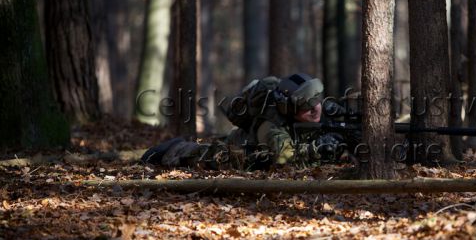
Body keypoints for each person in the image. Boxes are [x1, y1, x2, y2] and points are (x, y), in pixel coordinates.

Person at [141, 73, 346, 170]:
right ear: (290, 108)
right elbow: (286, 159)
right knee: (203, 154)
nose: (315, 108)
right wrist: (317, 149)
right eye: (306, 105)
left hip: (247, 144)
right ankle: (171, 149)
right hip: (237, 149)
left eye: (317, 100)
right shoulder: (270, 127)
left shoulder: (317, 111)